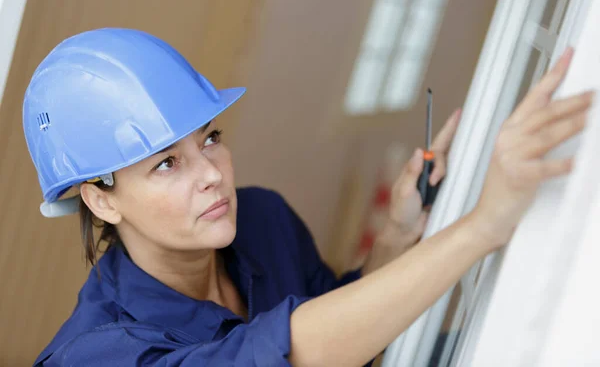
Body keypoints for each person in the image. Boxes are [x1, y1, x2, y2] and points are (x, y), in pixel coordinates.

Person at [25, 28, 591, 367]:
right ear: (101, 201)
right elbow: (298, 353)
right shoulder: (100, 353)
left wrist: (397, 231)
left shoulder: (264, 219)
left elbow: (351, 330)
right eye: (167, 163)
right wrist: (486, 223)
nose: (212, 174)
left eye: (211, 140)